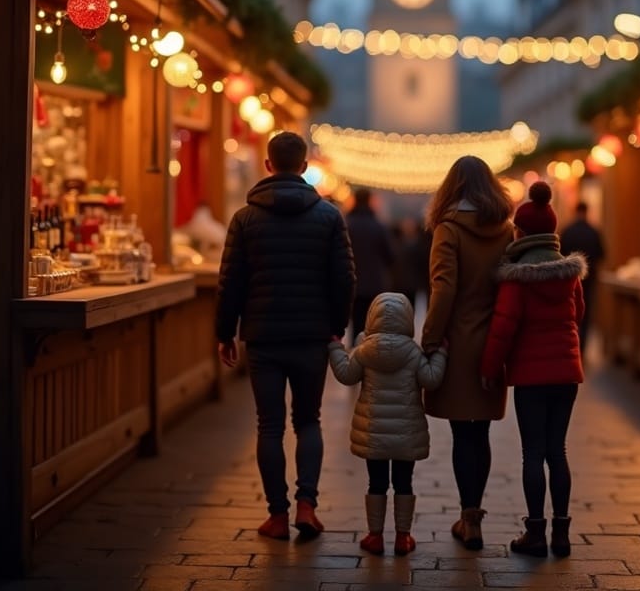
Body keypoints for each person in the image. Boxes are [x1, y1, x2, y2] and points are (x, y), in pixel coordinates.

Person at [215, 131, 355, 541]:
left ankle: (277, 515)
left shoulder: (245, 218)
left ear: (268, 165)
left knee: (269, 425)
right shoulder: (329, 216)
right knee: (308, 421)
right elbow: (345, 278)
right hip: (312, 335)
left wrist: (226, 332)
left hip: (263, 336)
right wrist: (336, 326)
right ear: (306, 166)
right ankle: (307, 505)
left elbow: (230, 281)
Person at [481, 180, 586, 558]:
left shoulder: (516, 277)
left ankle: (536, 533)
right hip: (567, 372)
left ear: (520, 232)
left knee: (534, 453)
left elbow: (503, 328)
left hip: (529, 376)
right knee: (558, 450)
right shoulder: (569, 273)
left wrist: (490, 368)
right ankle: (562, 533)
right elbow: (578, 314)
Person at [421, 155, 515, 550]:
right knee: (483, 432)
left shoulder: (448, 229)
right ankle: (474, 515)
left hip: (459, 341)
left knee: (464, 433)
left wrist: (428, 339)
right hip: (495, 340)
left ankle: (468, 518)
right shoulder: (507, 231)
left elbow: (443, 290)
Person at [327, 293, 447, 556]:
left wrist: (336, 348)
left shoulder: (364, 350)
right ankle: (403, 537)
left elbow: (346, 375)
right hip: (406, 434)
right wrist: (441, 354)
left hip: (374, 434)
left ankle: (375, 536)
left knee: (376, 483)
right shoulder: (414, 353)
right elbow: (431, 379)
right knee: (404, 484)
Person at [346, 187, 394, 343]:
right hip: (375, 283)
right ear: (369, 201)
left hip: (353, 282)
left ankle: (355, 357)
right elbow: (390, 256)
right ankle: (371, 357)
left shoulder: (348, 225)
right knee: (373, 326)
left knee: (356, 325)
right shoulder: (378, 226)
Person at [558, 200, 605, 358]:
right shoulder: (594, 231)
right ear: (586, 212)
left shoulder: (567, 231)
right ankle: (581, 349)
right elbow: (602, 254)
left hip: (568, 281)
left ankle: (570, 347)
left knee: (570, 314)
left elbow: (560, 254)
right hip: (589, 280)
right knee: (585, 313)